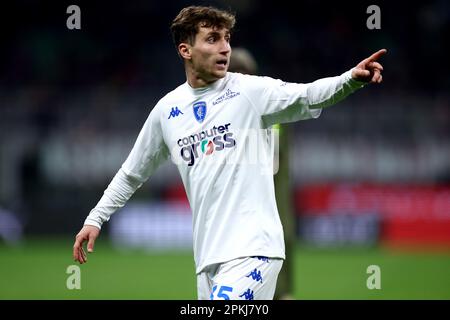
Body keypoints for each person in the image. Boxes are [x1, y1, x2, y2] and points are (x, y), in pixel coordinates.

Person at [73, 5, 386, 300]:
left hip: (254, 250)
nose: (225, 48)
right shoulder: (167, 111)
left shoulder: (249, 92)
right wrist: (95, 219)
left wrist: (349, 80)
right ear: (186, 50)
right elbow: (132, 173)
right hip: (208, 258)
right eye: (212, 39)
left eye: (227, 39)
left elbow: (306, 95)